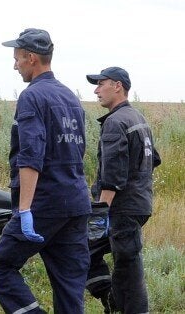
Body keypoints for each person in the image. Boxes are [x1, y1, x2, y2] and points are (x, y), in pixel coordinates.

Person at [0, 28, 92, 313]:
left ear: (31, 58)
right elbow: (77, 151)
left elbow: (31, 156)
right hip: (76, 202)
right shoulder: (70, 97)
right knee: (69, 284)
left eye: (17, 58)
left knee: (1, 267)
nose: (14, 65)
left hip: (45, 203)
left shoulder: (32, 96)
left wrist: (25, 210)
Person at [85, 67, 160, 313]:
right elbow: (153, 159)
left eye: (101, 84)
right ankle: (111, 299)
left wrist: (100, 215)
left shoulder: (116, 122)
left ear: (117, 86)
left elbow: (112, 177)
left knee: (128, 269)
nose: (96, 90)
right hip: (138, 204)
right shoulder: (137, 118)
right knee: (90, 252)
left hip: (121, 208)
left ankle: (122, 305)